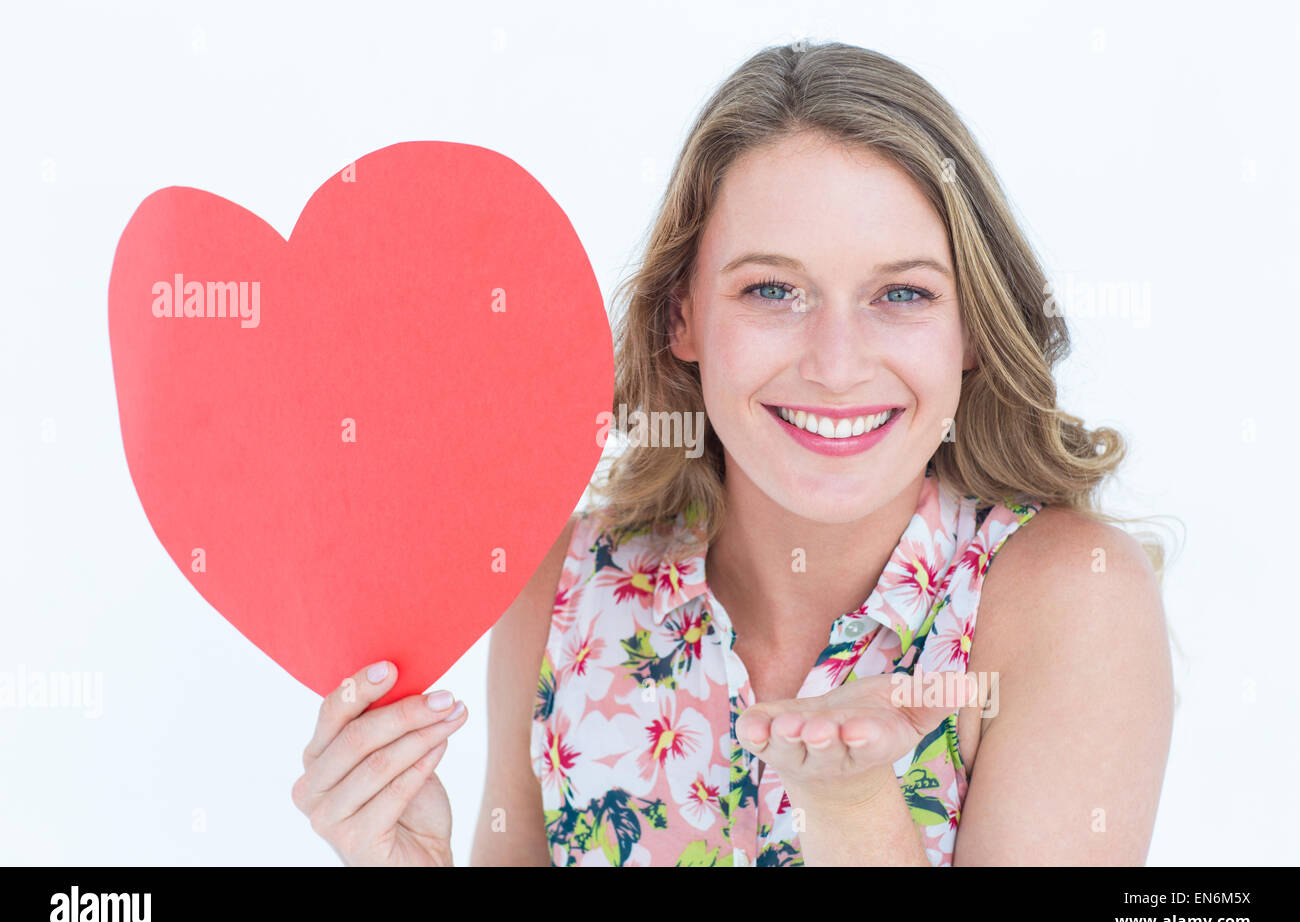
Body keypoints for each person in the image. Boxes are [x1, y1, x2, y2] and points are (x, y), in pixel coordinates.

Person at [291, 41, 1174, 866]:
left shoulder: (1067, 597)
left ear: (972, 329)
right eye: (773, 290)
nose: (836, 364)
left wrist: (855, 804)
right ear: (681, 316)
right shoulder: (564, 586)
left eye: (901, 293)